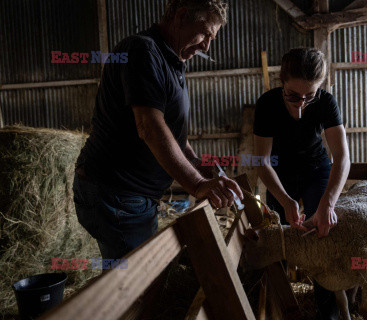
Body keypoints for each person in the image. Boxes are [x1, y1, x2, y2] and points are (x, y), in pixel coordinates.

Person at [73, 0, 243, 262]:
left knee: (140, 279)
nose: (206, 46)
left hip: (134, 196)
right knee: (131, 285)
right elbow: (149, 128)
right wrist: (196, 184)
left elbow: (173, 134)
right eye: (205, 33)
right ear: (181, 16)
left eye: (212, 38)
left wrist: (197, 165)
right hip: (117, 193)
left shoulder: (171, 61)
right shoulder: (143, 51)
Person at [253, 48, 351, 320]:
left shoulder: (326, 102)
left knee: (323, 233)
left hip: (316, 168)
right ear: (281, 82)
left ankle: (327, 312)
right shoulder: (267, 104)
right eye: (293, 96)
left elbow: (342, 157)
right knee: (280, 237)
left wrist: (328, 203)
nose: (301, 105)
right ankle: (280, 307)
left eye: (310, 96)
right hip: (280, 173)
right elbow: (261, 161)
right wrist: (285, 201)